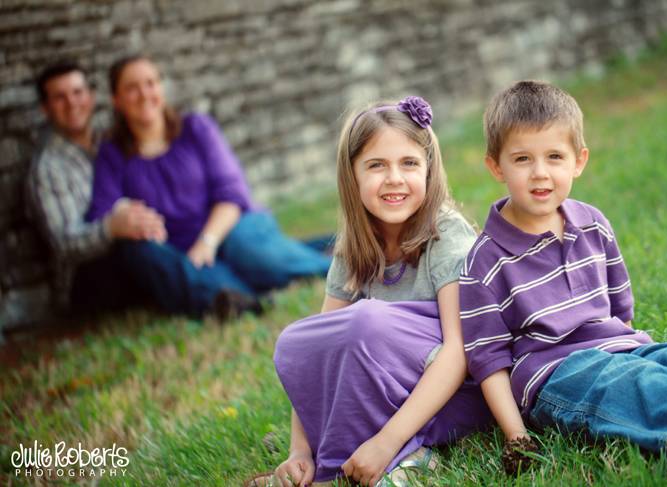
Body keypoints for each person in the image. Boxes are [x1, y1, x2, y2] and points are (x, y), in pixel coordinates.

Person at [459, 80, 667, 474]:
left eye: (554, 156)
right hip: (554, 376)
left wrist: (640, 356)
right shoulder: (484, 262)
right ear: (495, 166)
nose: (540, 174)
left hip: (617, 346)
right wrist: (517, 435)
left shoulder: (593, 224)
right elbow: (488, 361)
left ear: (579, 161)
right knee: (617, 384)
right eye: (522, 159)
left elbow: (622, 315)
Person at [249, 96, 493, 487]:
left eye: (409, 163)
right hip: (391, 391)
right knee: (298, 342)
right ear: (353, 175)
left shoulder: (447, 236)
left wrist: (385, 441)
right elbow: (320, 356)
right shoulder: (354, 247)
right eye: (376, 165)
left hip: (459, 394)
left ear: (429, 170)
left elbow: (458, 353)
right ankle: (365, 464)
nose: (394, 178)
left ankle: (355, 467)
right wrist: (299, 450)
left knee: (367, 320)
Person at [85, 55, 332, 318]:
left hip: (231, 226)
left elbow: (231, 193)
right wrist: (129, 215)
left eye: (151, 83)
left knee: (247, 251)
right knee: (146, 255)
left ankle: (333, 266)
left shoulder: (195, 128)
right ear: (116, 100)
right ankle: (239, 298)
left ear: (161, 87)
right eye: (132, 87)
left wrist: (207, 241)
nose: (144, 94)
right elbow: (103, 211)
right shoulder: (111, 153)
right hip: (180, 252)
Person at [26, 61, 166, 315]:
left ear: (90, 97)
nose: (72, 103)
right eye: (60, 98)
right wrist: (111, 228)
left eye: (78, 93)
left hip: (137, 248)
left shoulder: (114, 143)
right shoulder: (48, 167)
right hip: (88, 278)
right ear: (45, 109)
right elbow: (63, 244)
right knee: (144, 251)